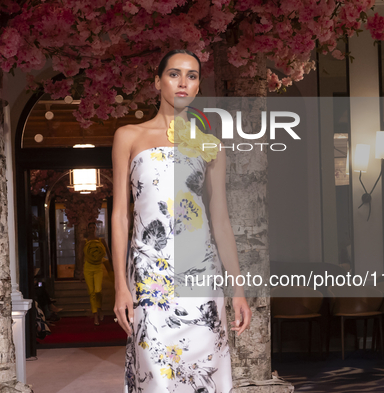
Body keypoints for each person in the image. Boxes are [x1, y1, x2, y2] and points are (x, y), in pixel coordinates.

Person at [111, 49, 252, 392]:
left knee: (204, 371)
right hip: (150, 276)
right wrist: (120, 284)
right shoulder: (129, 136)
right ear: (157, 82)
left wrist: (238, 288)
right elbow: (119, 214)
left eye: (191, 76)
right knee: (155, 373)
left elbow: (220, 220)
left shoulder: (211, 146)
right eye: (174, 74)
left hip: (201, 276)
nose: (182, 82)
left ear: (198, 86)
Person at [79, 221, 112, 325]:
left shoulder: (101, 240)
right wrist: (80, 271)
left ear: (96, 229)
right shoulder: (84, 242)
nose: (92, 229)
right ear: (88, 229)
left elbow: (108, 253)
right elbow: (80, 257)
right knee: (92, 292)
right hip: (88, 268)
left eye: (94, 227)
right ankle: (95, 316)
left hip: (98, 267)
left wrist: (112, 266)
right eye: (90, 227)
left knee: (98, 291)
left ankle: (100, 308)